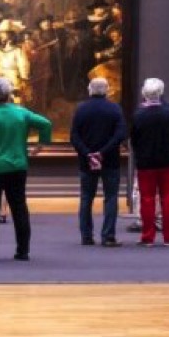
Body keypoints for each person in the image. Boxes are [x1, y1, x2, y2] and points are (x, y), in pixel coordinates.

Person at [0, 77, 52, 262]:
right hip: (17, 165)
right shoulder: (21, 113)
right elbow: (46, 124)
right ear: (9, 94)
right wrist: (41, 144)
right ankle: (23, 251)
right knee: (19, 208)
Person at [71, 76, 126, 247]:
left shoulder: (81, 109)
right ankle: (108, 235)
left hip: (86, 162)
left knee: (86, 197)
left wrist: (88, 154)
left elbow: (74, 136)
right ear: (107, 90)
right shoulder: (114, 109)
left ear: (90, 90)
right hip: (110, 160)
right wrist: (102, 152)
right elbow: (120, 135)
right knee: (110, 197)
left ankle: (86, 236)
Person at [130, 78, 169, 247]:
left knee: (147, 200)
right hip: (168, 160)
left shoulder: (139, 114)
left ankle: (148, 236)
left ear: (145, 93)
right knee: (168, 199)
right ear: (161, 92)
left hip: (146, 162)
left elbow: (134, 139)